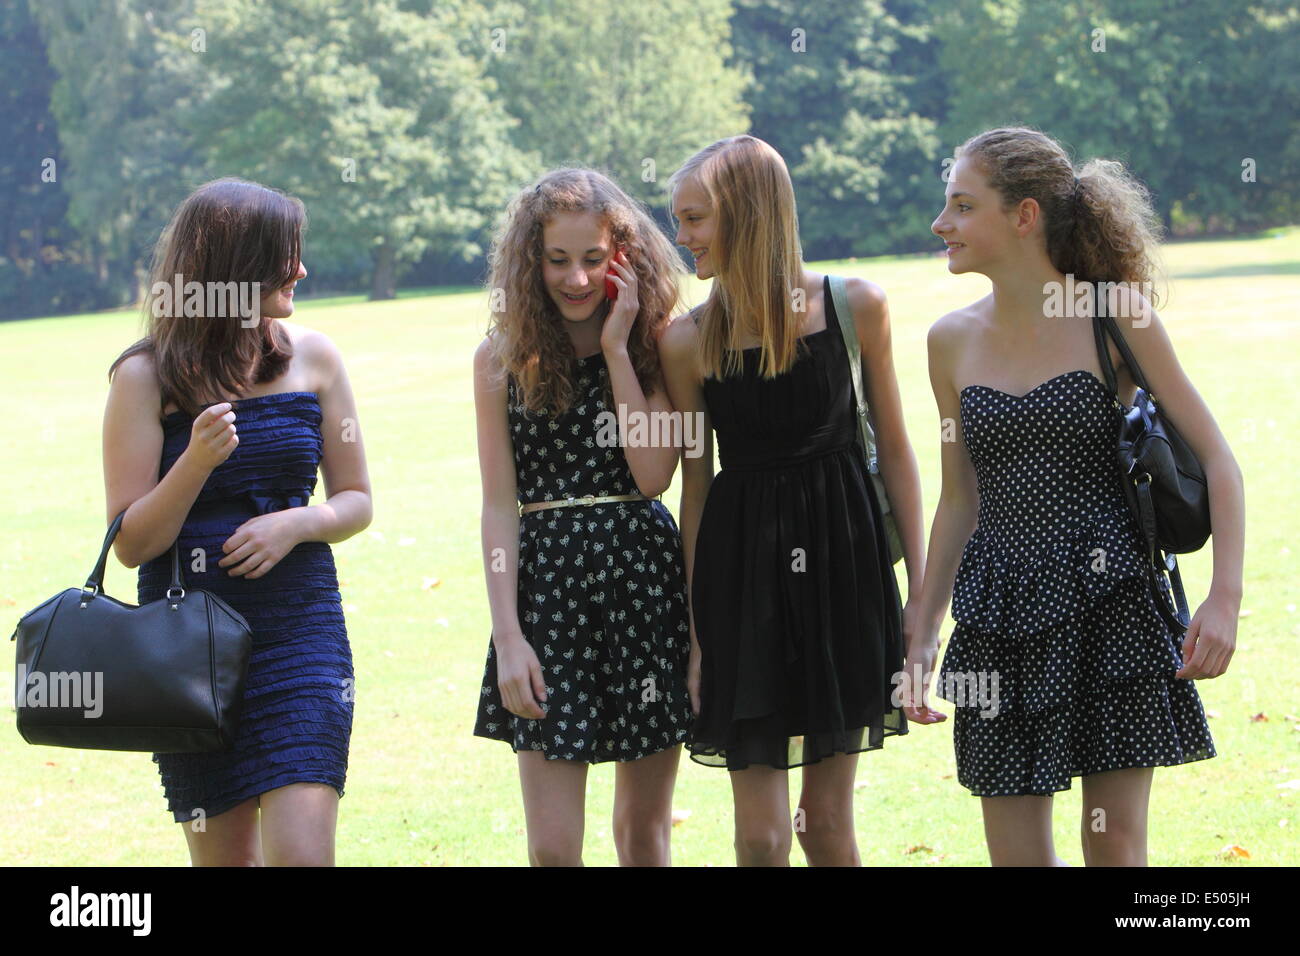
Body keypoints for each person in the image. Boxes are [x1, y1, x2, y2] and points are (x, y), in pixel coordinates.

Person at [907, 126, 1241, 866]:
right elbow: (958, 499)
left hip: (1112, 606)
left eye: (963, 206)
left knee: (1114, 846)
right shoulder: (947, 341)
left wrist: (1224, 599)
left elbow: (1218, 457)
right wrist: (922, 628)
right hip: (995, 616)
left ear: (1024, 216)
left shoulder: (1114, 313)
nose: (941, 225)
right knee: (1015, 856)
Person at [658, 135, 926, 866]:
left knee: (827, 824)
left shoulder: (855, 306)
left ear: (746, 214)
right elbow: (696, 484)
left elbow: (897, 451)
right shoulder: (686, 341)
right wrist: (697, 627)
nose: (681, 238)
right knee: (762, 835)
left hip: (846, 572)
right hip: (742, 583)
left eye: (694, 218)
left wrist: (921, 597)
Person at [103, 177, 372, 866]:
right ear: (233, 266)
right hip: (187, 653)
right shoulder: (144, 377)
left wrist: (296, 525)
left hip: (299, 633)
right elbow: (131, 544)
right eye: (286, 256)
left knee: (303, 857)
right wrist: (194, 461)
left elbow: (356, 500)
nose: (302, 270)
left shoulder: (315, 357)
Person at [472, 168, 694, 866]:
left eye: (593, 260)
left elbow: (654, 476)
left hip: (644, 588)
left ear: (621, 257)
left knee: (643, 836)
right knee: (554, 850)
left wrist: (618, 349)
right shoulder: (501, 359)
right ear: (529, 260)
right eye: (557, 260)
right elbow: (497, 505)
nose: (574, 279)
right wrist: (508, 636)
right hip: (545, 599)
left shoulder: (657, 343)